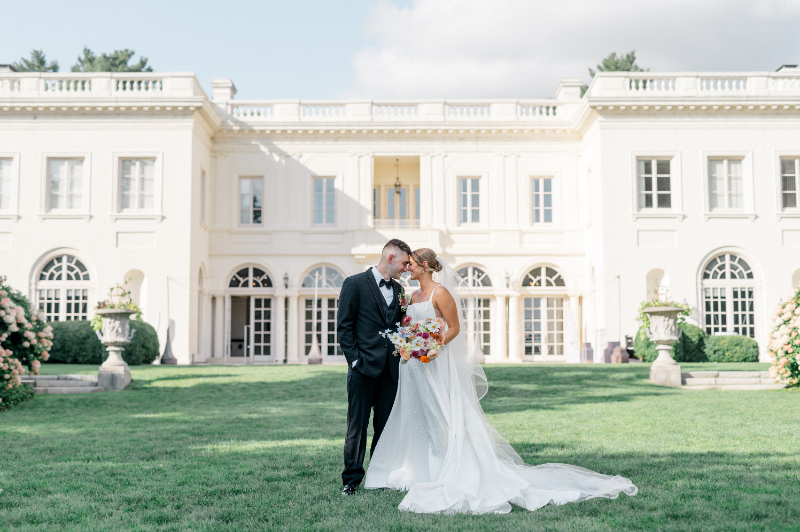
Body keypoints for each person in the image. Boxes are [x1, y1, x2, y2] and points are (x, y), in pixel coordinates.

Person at [364, 248, 638, 513]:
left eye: (410, 263)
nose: (406, 267)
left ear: (424, 266)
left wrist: (433, 348)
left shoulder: (441, 292)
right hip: (414, 367)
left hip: (434, 363)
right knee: (418, 416)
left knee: (440, 416)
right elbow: (410, 327)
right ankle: (416, 470)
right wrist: (410, 345)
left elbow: (455, 328)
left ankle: (447, 466)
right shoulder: (411, 296)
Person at [336, 238, 412, 496]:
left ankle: (379, 475)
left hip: (391, 370)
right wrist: (355, 360)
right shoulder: (354, 284)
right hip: (362, 368)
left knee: (384, 426)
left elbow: (400, 325)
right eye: (403, 263)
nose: (405, 268)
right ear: (390, 258)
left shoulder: (401, 292)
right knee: (357, 426)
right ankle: (351, 480)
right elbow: (344, 327)